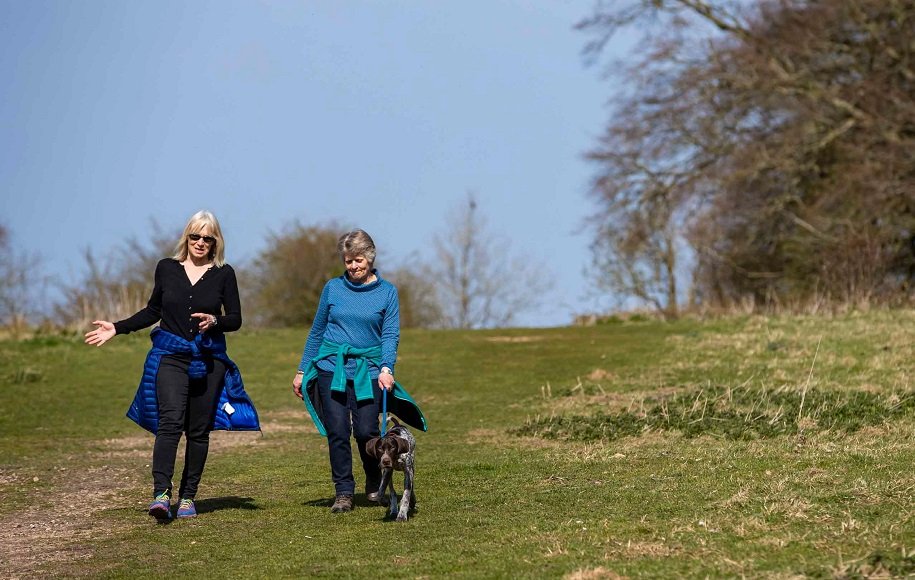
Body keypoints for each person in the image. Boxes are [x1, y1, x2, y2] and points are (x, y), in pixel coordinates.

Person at [84, 210, 260, 521]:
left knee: (198, 430)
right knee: (169, 423)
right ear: (187, 237)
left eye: (208, 238)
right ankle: (161, 494)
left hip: (208, 360)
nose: (201, 242)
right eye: (196, 236)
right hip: (171, 357)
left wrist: (215, 320)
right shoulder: (167, 268)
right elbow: (153, 310)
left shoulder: (224, 273)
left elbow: (235, 319)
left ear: (216, 241)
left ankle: (189, 497)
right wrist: (117, 327)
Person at [293, 229, 426, 513]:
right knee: (337, 431)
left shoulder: (387, 292)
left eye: (358, 260)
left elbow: (390, 334)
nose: (353, 266)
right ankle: (343, 492)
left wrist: (387, 368)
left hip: (370, 369)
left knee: (367, 430)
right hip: (332, 366)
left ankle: (374, 477)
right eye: (348, 260)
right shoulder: (332, 288)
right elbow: (317, 331)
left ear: (370, 257)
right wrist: (303, 369)